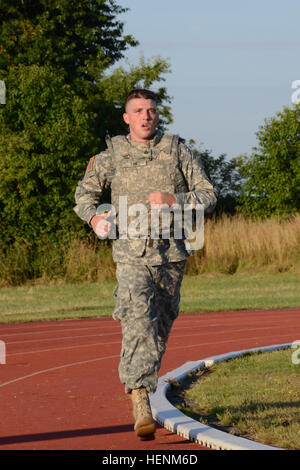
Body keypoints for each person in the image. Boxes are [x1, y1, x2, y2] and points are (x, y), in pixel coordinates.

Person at [74, 89, 217, 440]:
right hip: (131, 257)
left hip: (172, 257)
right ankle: (140, 397)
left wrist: (176, 200)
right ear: (127, 118)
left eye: (151, 110)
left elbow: (209, 195)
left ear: (157, 115)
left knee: (159, 329)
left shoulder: (178, 151)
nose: (146, 116)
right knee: (139, 320)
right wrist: (94, 220)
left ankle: (142, 384)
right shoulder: (112, 156)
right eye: (138, 111)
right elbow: (84, 196)